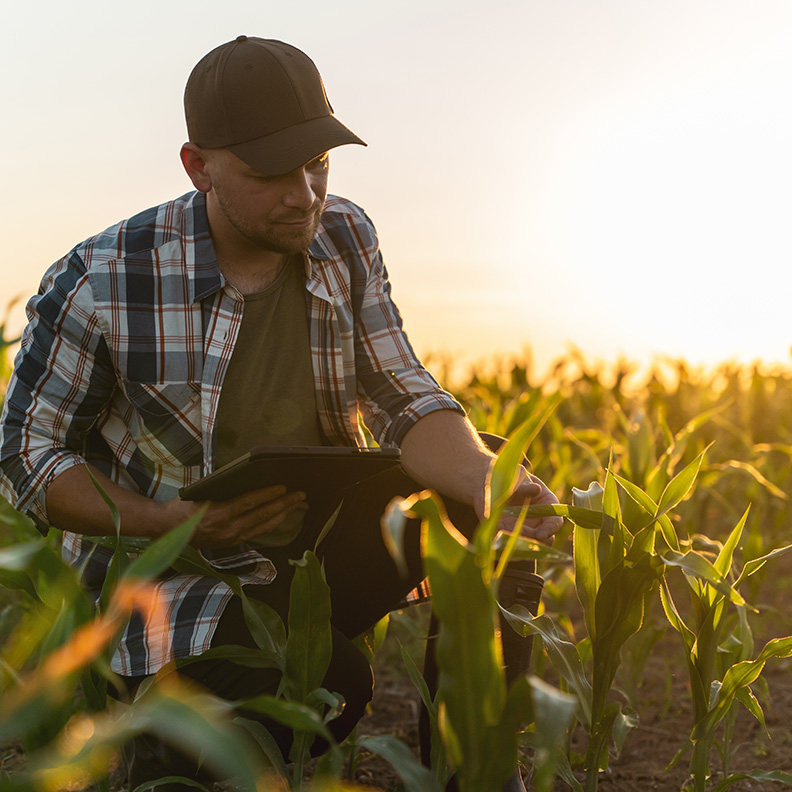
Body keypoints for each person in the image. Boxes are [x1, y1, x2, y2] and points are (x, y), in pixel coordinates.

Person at [0, 36, 562, 791]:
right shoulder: (103, 279)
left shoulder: (344, 236)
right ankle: (154, 737)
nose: (304, 194)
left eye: (319, 164)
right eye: (271, 173)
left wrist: (487, 477)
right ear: (198, 166)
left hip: (315, 541)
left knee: (484, 498)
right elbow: (27, 456)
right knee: (327, 688)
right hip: (175, 573)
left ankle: (476, 771)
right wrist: (171, 525)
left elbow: (403, 393)